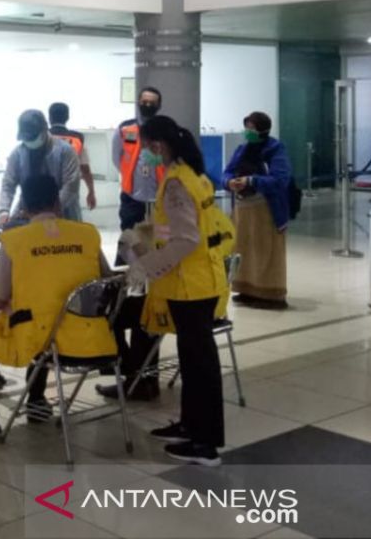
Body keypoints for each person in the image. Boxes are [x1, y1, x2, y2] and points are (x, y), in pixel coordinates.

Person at [0, 175, 115, 437]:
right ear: (57, 203)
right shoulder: (87, 234)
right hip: (87, 335)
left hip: (38, 338)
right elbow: (107, 281)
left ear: (24, 207)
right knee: (50, 314)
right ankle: (36, 399)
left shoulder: (15, 241)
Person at [129, 115, 227, 466]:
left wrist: (145, 267)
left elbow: (187, 240)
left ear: (157, 145)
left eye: (145, 147)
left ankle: (204, 443)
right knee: (193, 360)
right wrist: (149, 230)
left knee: (200, 364)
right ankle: (190, 425)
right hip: (202, 280)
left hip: (191, 286)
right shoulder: (190, 175)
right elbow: (183, 226)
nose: (145, 155)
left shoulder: (176, 183)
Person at [97, 86, 164, 402]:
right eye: (144, 100)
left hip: (159, 208)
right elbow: (117, 159)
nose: (147, 105)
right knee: (124, 285)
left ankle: (141, 375)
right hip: (134, 203)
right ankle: (132, 371)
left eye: (153, 102)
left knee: (144, 301)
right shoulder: (125, 130)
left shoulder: (165, 132)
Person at [224, 112, 291, 309]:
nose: (248, 132)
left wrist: (252, 180)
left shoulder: (275, 149)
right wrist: (229, 182)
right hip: (243, 209)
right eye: (247, 127)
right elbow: (227, 171)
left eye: (252, 128)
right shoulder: (241, 149)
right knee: (243, 248)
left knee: (266, 252)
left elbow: (281, 179)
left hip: (266, 210)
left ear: (264, 129)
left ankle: (271, 294)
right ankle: (246, 289)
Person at [0, 109, 81, 224]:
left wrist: (49, 211)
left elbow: (71, 186)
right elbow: (8, 184)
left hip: (62, 214)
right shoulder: (17, 154)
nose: (30, 141)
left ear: (44, 129)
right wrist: (4, 210)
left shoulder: (65, 151)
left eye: (33, 137)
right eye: (26, 139)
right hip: (27, 213)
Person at [48, 102, 97, 212]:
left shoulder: (42, 137)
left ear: (49, 118)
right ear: (67, 117)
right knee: (72, 227)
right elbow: (85, 169)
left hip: (45, 195)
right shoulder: (77, 139)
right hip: (71, 195)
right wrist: (91, 192)